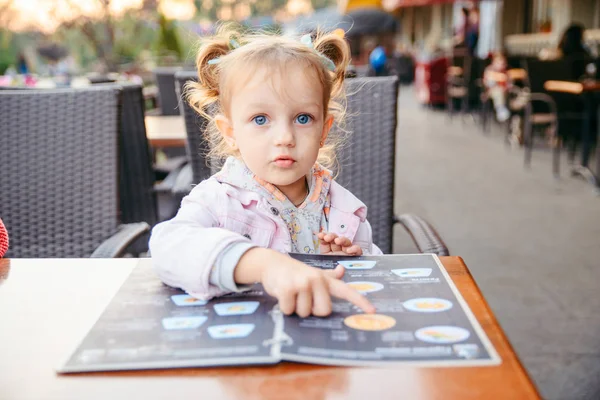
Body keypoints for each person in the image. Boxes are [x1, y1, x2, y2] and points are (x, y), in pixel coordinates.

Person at [149, 27, 379, 318]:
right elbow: (167, 247)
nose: (284, 137)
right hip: (240, 340)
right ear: (231, 133)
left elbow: (377, 274)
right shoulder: (219, 199)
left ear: (324, 130)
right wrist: (261, 263)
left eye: (303, 118)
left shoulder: (342, 207)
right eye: (260, 119)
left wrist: (345, 264)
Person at [483, 52, 510, 122]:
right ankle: (500, 109)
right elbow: (487, 83)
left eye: (503, 64)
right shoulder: (489, 70)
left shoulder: (505, 72)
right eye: (499, 63)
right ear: (493, 62)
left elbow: (509, 83)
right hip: (491, 92)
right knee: (498, 92)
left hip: (506, 92)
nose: (501, 65)